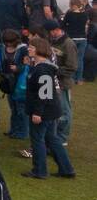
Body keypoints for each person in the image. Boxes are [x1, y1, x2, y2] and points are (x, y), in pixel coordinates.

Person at [21, 35, 76, 180]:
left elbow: (44, 94)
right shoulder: (43, 67)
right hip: (51, 110)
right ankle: (66, 169)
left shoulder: (42, 70)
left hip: (44, 112)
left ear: (39, 50)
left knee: (38, 140)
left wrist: (37, 112)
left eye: (31, 47)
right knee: (53, 139)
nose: (29, 49)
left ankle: (39, 170)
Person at [44, 18, 77, 146]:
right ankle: (53, 135)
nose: (47, 34)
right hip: (51, 82)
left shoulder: (68, 44)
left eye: (49, 32)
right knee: (53, 110)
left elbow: (72, 67)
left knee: (64, 111)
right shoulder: (51, 41)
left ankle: (62, 137)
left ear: (55, 30)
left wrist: (54, 70)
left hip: (63, 83)